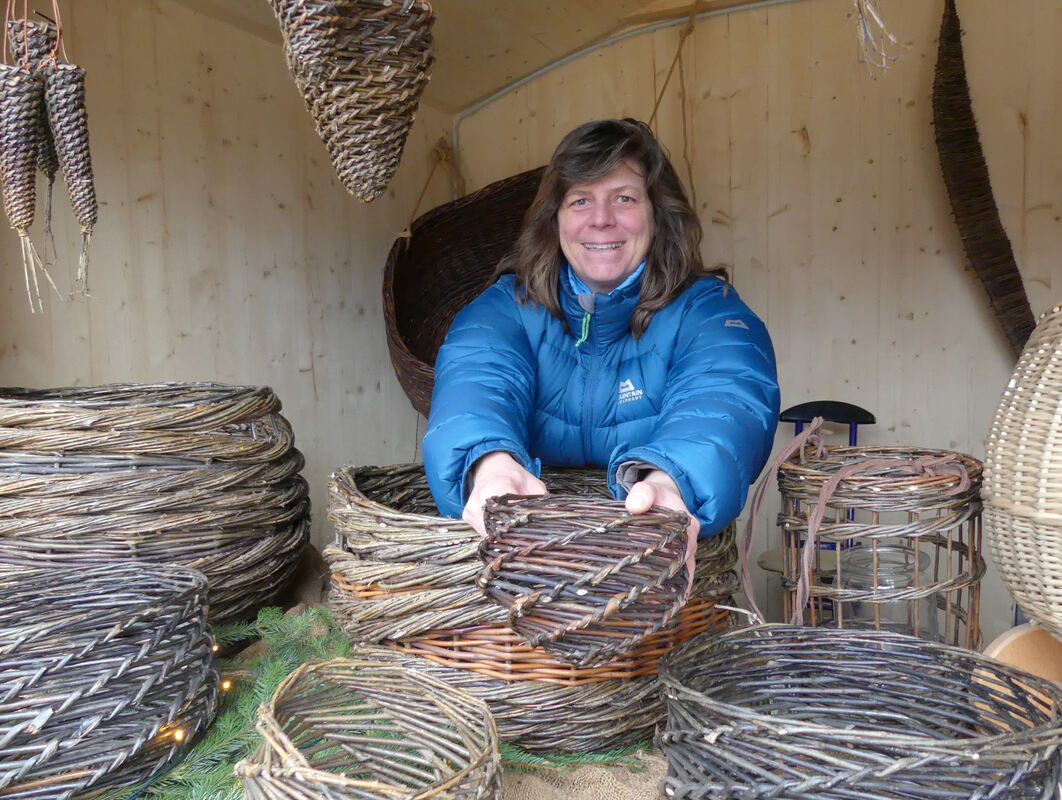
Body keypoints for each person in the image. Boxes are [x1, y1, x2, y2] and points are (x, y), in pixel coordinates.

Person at [422, 118, 779, 580]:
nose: (601, 219)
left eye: (624, 198)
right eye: (581, 200)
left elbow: (724, 396)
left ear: (657, 213)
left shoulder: (708, 313)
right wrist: (489, 468)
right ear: (555, 218)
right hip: (527, 570)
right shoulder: (506, 308)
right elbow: (476, 379)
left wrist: (671, 486)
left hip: (647, 570)